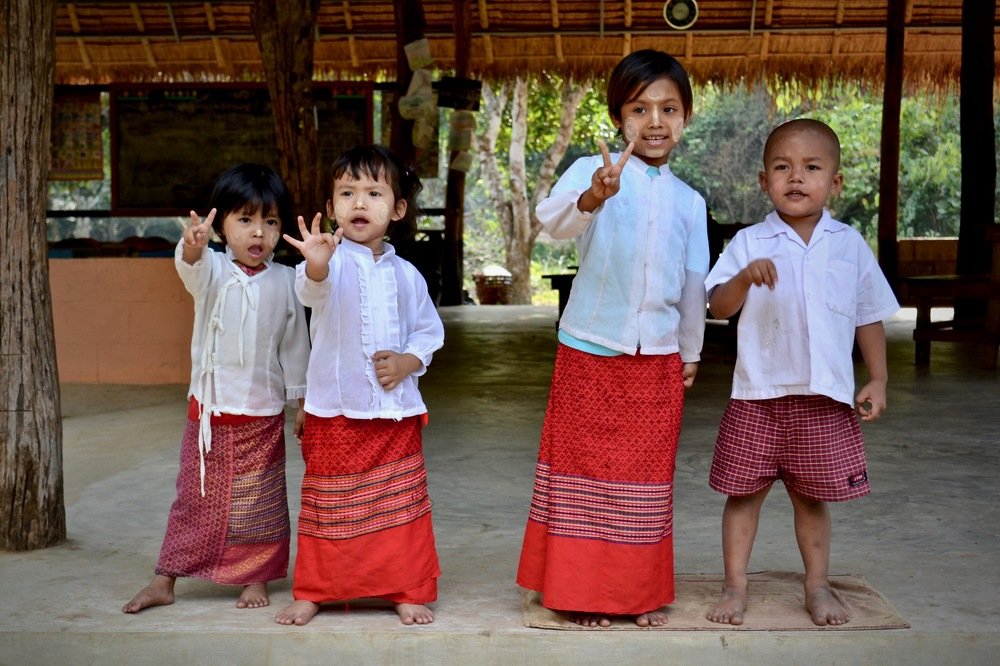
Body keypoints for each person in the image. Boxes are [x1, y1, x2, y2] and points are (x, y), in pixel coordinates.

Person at [516, 49, 710, 628]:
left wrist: (692, 351)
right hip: (587, 349)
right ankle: (578, 593)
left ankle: (634, 595)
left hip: (657, 359)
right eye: (639, 108)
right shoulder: (590, 169)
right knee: (583, 479)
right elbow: (550, 225)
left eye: (669, 108)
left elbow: (693, 284)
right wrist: (595, 197)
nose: (655, 121)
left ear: (686, 117)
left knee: (643, 482)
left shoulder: (690, 202)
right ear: (619, 117)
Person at [703, 119, 899, 627]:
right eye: (782, 167)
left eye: (811, 168)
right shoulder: (749, 242)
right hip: (757, 395)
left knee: (811, 498)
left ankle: (817, 585)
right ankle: (734, 586)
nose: (796, 178)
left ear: (834, 183)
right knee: (742, 495)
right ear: (763, 179)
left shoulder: (848, 244)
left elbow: (867, 314)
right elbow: (719, 306)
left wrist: (877, 379)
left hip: (823, 397)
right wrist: (745, 276)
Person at [123, 164, 309, 614]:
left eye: (270, 221)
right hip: (208, 412)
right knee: (193, 499)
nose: (258, 233)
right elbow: (190, 268)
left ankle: (256, 578)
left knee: (259, 503)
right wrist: (192, 247)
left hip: (262, 413)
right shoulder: (212, 270)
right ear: (221, 224)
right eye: (245, 220)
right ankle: (165, 579)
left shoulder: (287, 281)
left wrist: (301, 401)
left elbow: (296, 347)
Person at [275, 145, 444, 627]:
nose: (359, 204)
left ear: (398, 209)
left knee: (398, 505)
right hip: (336, 410)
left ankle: (405, 587)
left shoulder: (407, 275)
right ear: (331, 209)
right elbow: (312, 291)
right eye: (347, 193)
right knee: (328, 504)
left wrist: (410, 361)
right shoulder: (328, 262)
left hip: (393, 413)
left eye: (374, 193)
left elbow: (430, 331)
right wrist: (314, 262)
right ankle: (314, 590)